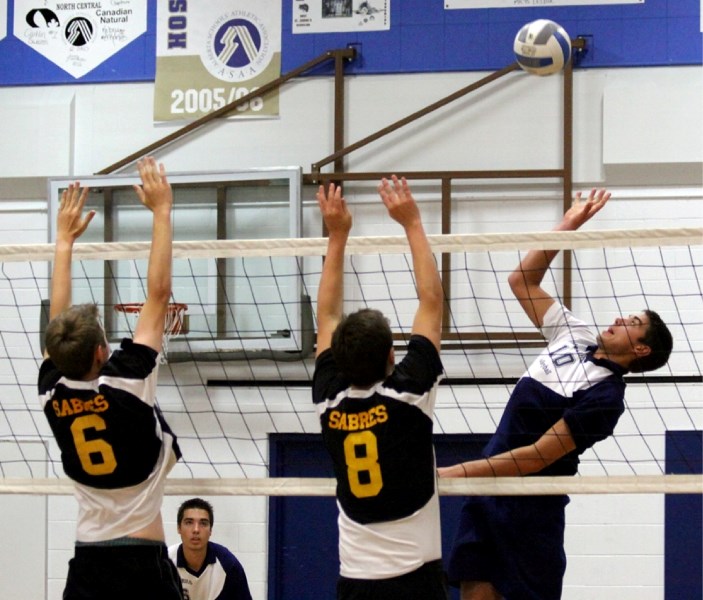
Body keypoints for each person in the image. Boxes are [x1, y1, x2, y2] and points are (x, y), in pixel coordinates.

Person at [439, 189, 674, 600]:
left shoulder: (606, 400)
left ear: (641, 349)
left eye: (633, 322)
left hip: (533, 506)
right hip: (489, 496)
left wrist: (448, 475)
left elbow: (536, 457)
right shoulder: (574, 332)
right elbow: (521, 280)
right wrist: (569, 227)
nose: (620, 317)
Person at [39, 157, 184, 599]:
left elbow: (58, 323)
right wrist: (162, 211)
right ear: (103, 352)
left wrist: (62, 242)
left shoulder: (53, 390)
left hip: (89, 563)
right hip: (141, 561)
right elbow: (159, 294)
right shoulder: (128, 380)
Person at [313, 176, 449, 600]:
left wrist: (337, 235)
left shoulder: (329, 401)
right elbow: (431, 300)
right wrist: (411, 223)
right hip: (415, 578)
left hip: (356, 581)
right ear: (392, 356)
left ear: (337, 358)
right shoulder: (408, 394)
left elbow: (326, 316)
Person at [168, 498, 253, 600]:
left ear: (211, 530)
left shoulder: (228, 565)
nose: (196, 530)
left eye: (203, 523)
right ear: (179, 528)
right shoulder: (164, 562)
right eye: (189, 522)